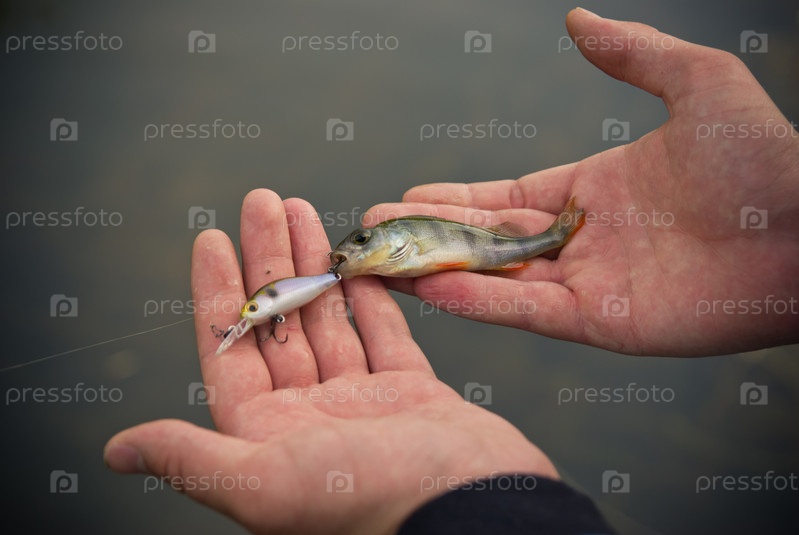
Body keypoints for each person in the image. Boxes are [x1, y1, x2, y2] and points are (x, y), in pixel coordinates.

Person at [104, 8, 799, 534]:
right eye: (352, 250)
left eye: (359, 245)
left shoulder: (396, 248)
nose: (348, 255)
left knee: (502, 251)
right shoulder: (368, 263)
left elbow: (431, 247)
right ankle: (553, 237)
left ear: (382, 246)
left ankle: (556, 235)